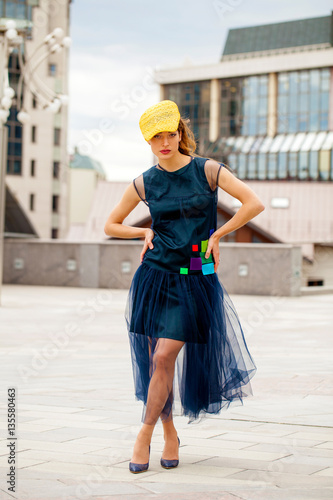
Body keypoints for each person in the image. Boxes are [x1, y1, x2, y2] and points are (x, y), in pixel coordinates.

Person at [104, 100, 265, 474]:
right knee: (156, 361)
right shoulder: (145, 181)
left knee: (163, 358)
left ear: (180, 134)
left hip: (195, 274)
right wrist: (142, 230)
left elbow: (252, 203)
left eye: (171, 134)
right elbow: (111, 225)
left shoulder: (207, 170)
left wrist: (219, 234)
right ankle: (169, 430)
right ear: (148, 140)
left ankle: (142, 435)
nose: (165, 142)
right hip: (154, 275)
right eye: (157, 137)